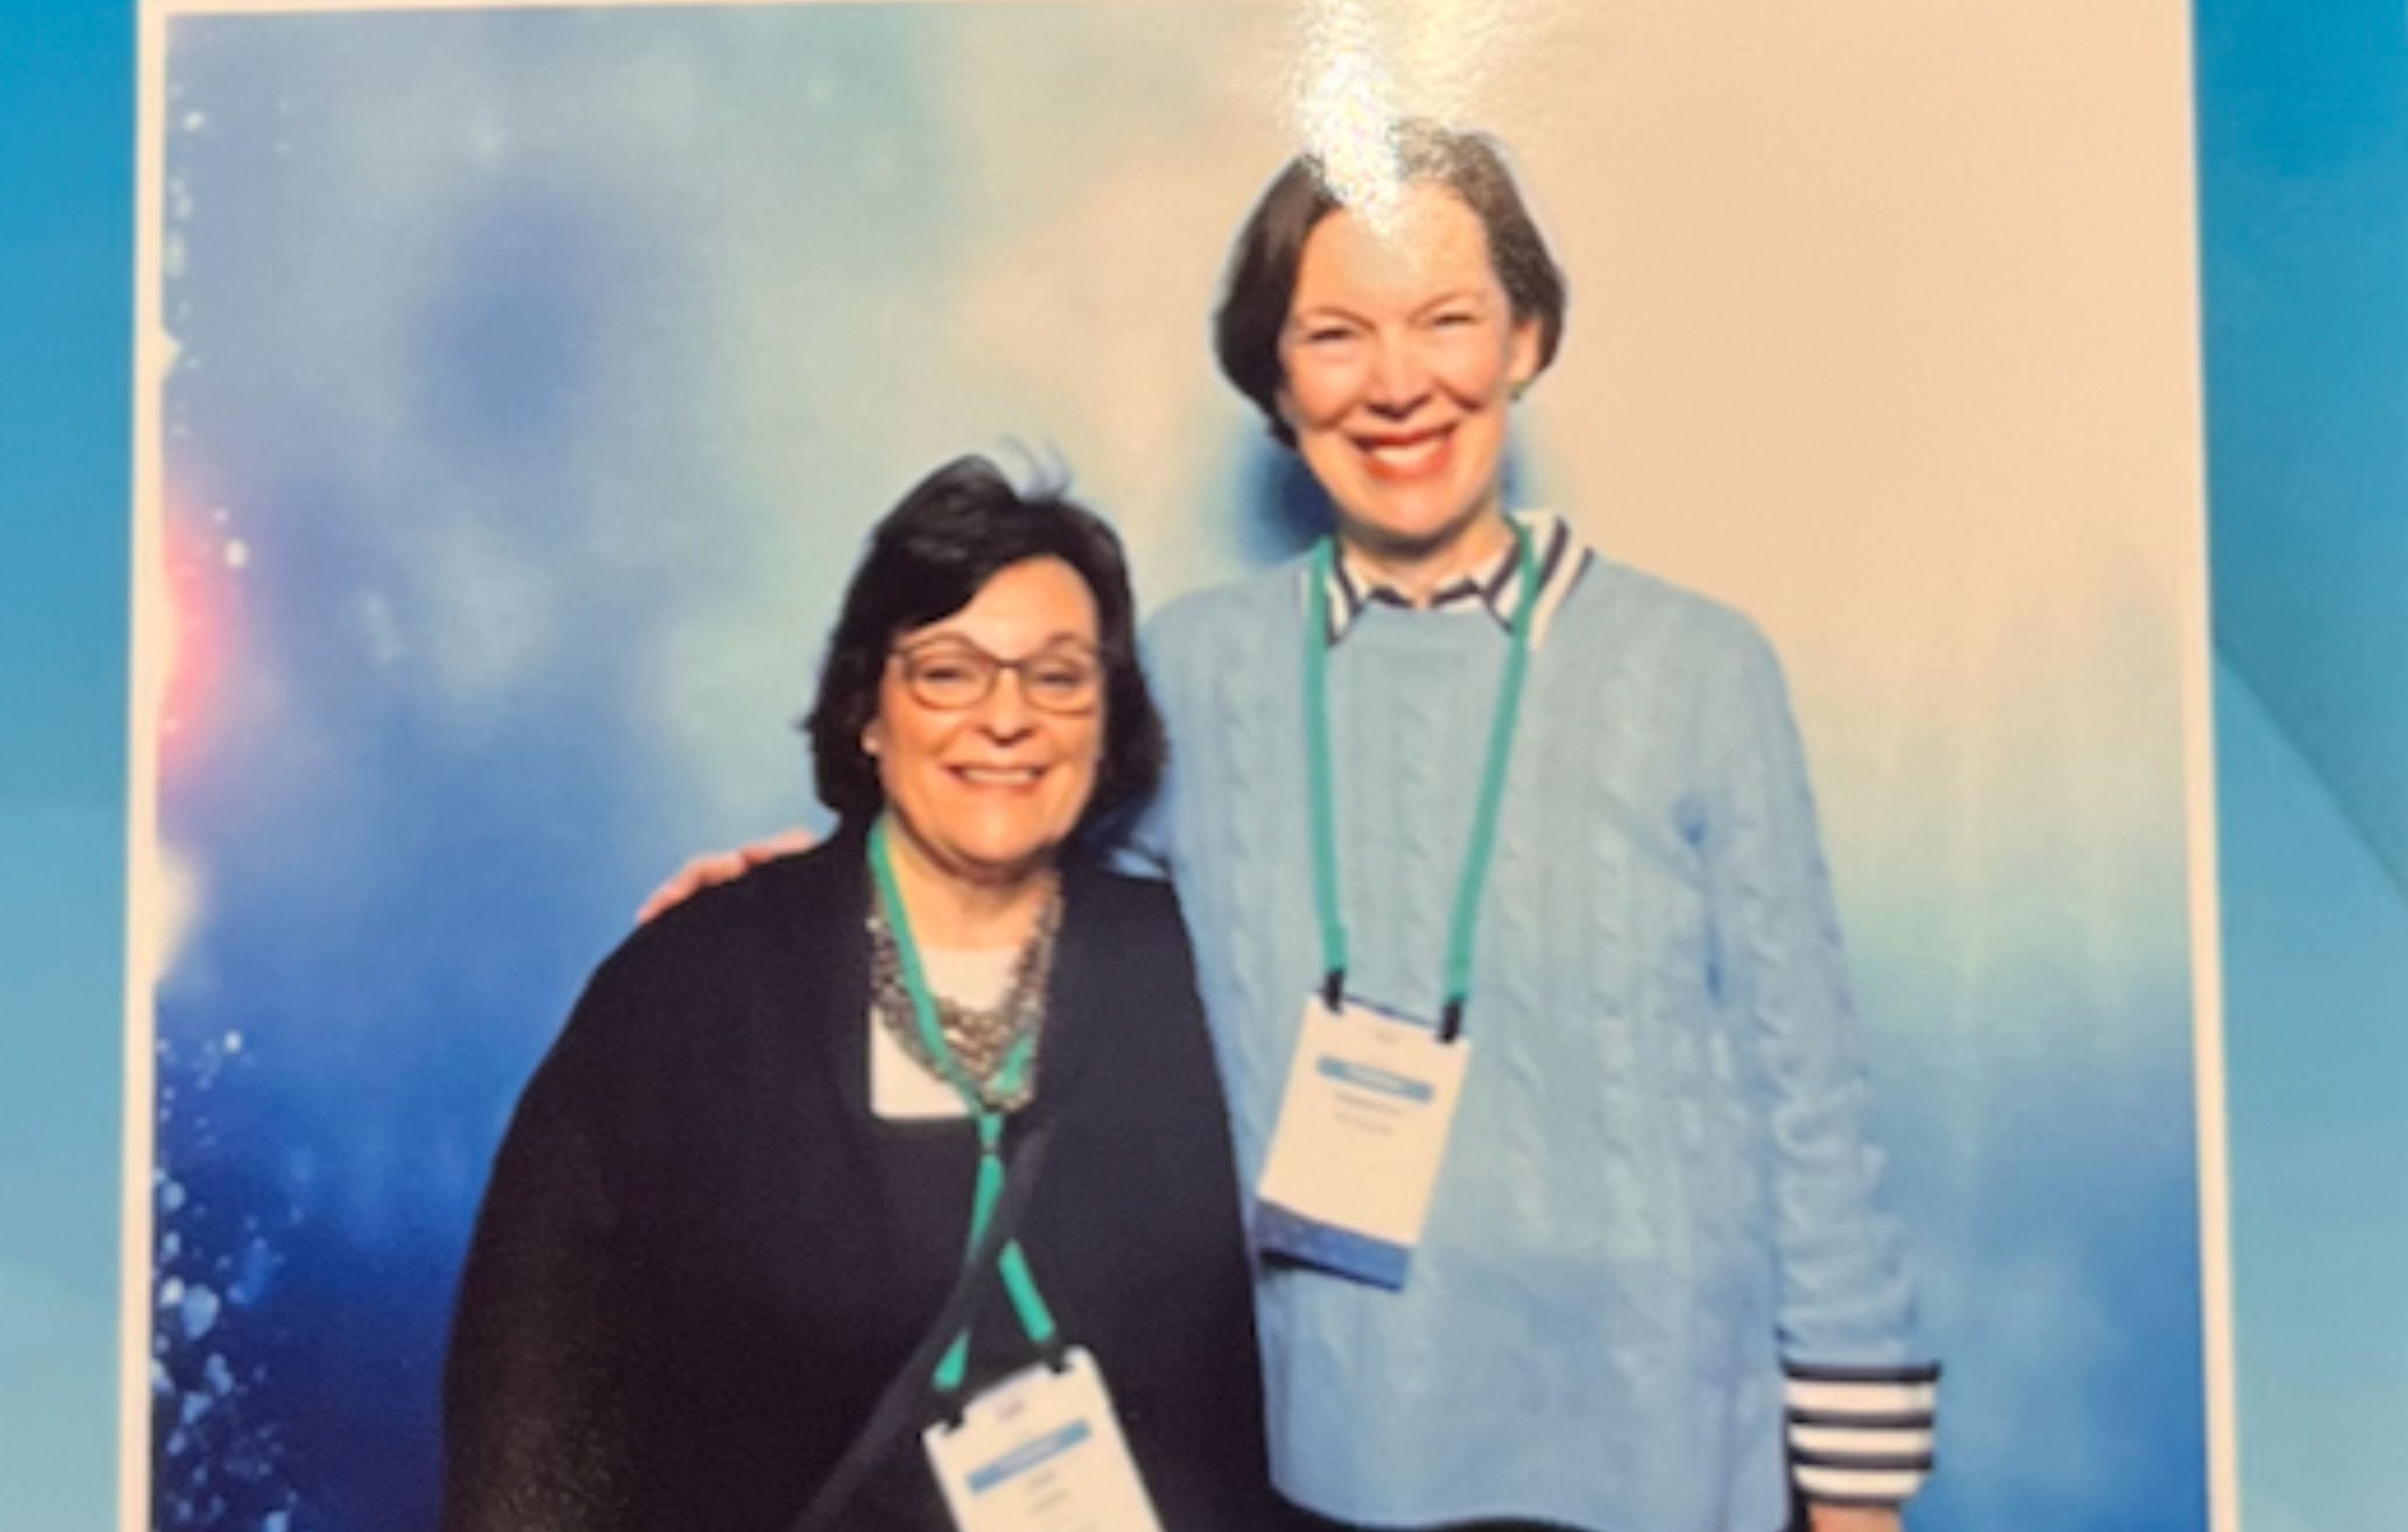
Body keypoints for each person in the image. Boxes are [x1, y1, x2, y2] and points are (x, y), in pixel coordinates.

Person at [646, 123, 1938, 1532]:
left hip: (1667, 1463)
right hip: (1325, 1457)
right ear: (1276, 376)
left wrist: (1857, 1498)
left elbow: (1811, 1103)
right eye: (1335, 333)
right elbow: (1033, 913)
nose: (1396, 382)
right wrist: (828, 896)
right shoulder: (1195, 669)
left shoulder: (1696, 669)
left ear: (1526, 336)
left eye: (1446, 318)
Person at [443, 457, 1291, 1532]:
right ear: (866, 711)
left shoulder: (1205, 975)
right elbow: (536, 1405)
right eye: (948, 672)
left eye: (1057, 677)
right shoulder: (692, 991)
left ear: (1105, 720)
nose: (1007, 717)